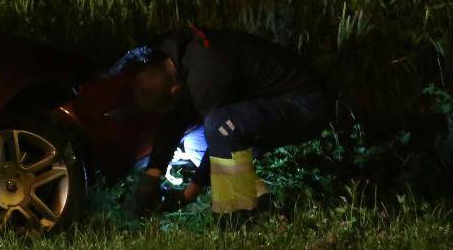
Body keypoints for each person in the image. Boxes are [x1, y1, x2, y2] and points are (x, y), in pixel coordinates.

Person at [116, 25, 332, 219]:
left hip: (304, 105)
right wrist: (152, 176)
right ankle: (259, 198)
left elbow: (220, 133)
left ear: (175, 90)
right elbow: (172, 120)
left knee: (219, 127)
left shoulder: (206, 73)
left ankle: (238, 213)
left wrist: (187, 195)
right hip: (262, 107)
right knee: (196, 142)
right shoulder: (174, 62)